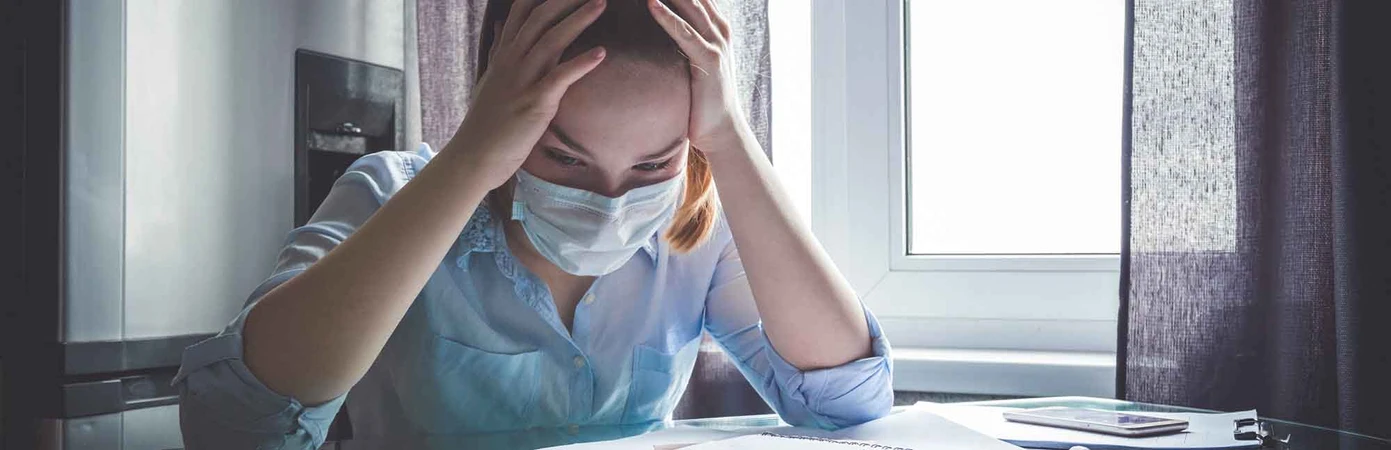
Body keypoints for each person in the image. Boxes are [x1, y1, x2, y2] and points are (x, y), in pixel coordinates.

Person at [174, 0, 892, 448]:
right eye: (564, 156)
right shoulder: (389, 193)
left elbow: (847, 403)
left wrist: (731, 143)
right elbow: (235, 426)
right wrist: (470, 161)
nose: (609, 203)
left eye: (651, 165)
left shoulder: (694, 235)